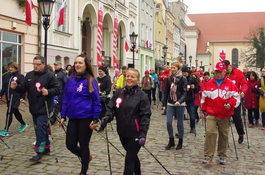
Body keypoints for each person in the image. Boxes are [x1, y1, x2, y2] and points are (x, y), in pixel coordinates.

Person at [101, 68, 151, 175]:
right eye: (128, 76)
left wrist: (143, 134)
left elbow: (145, 116)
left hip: (135, 133)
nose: (129, 78)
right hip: (122, 132)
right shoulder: (119, 92)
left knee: (129, 159)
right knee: (131, 156)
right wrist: (107, 117)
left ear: (138, 80)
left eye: (132, 77)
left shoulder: (142, 96)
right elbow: (111, 107)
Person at [10, 56, 60, 161]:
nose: (35, 66)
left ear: (43, 64)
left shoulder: (50, 76)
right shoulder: (29, 75)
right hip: (33, 107)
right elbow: (23, 88)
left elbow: (57, 89)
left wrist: (48, 92)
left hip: (44, 106)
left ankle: (38, 151)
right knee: (40, 127)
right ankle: (46, 147)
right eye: (34, 64)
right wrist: (16, 87)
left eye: (38, 64)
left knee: (40, 128)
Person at [59, 55, 101, 175]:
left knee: (84, 145)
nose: (77, 65)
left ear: (86, 65)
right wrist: (63, 115)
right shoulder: (70, 79)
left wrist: (95, 118)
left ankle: (83, 171)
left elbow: (96, 101)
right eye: (76, 62)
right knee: (70, 144)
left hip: (85, 117)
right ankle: (86, 157)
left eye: (80, 63)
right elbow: (66, 98)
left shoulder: (90, 80)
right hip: (72, 116)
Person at [201, 61, 240, 165]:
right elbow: (204, 98)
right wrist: (204, 110)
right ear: (215, 71)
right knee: (210, 133)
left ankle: (222, 155)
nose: (218, 74)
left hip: (224, 114)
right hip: (212, 113)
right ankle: (208, 156)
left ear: (224, 72)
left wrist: (230, 104)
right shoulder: (209, 84)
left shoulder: (231, 84)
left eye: (221, 72)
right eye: (217, 71)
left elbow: (236, 97)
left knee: (224, 135)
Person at [163, 62, 187, 150]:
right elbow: (166, 92)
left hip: (180, 104)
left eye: (174, 68)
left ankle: (180, 141)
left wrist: (180, 101)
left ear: (178, 68)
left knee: (180, 123)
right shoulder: (169, 79)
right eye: (171, 68)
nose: (172, 69)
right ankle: (171, 140)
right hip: (170, 103)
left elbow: (184, 92)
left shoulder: (183, 79)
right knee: (169, 122)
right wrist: (164, 104)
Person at [222, 60, 247, 143]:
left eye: (226, 69)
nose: (225, 71)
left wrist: (243, 91)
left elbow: (244, 83)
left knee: (237, 118)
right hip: (224, 98)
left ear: (229, 66)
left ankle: (240, 134)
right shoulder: (222, 74)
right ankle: (223, 137)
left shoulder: (238, 72)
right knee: (223, 119)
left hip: (235, 99)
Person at [0, 62, 28, 136]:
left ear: (16, 68)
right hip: (9, 97)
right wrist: (1, 94)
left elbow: (23, 87)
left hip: (16, 97)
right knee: (15, 111)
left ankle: (6, 129)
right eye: (9, 67)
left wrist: (22, 97)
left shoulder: (20, 76)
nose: (10, 69)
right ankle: (23, 124)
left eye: (12, 67)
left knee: (9, 112)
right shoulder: (7, 76)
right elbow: (4, 86)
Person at [182, 65, 200, 133]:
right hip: (182, 99)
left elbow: (198, 89)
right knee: (180, 116)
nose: (184, 74)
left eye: (185, 72)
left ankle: (193, 127)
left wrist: (194, 87)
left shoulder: (192, 79)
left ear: (188, 72)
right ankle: (180, 129)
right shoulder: (180, 79)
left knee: (192, 115)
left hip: (190, 98)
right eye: (183, 72)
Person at [97, 66, 112, 132]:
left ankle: (102, 126)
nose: (99, 73)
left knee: (103, 112)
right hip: (98, 97)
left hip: (105, 98)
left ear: (104, 71)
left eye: (101, 71)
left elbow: (109, 87)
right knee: (99, 112)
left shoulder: (107, 78)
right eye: (99, 71)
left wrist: (105, 92)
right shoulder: (97, 79)